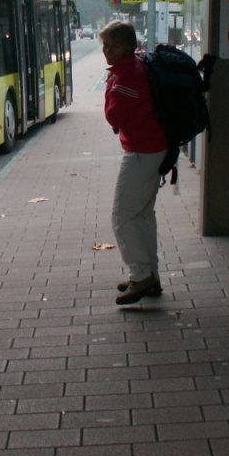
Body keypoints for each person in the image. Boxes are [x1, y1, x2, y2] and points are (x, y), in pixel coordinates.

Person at [98, 20, 169, 305]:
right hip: (154, 146)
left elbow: (113, 117)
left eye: (113, 46)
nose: (107, 51)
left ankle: (140, 276)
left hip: (142, 151)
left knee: (122, 217)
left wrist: (110, 84)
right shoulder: (137, 66)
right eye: (105, 45)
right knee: (142, 216)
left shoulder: (126, 76)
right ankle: (150, 275)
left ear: (128, 47)